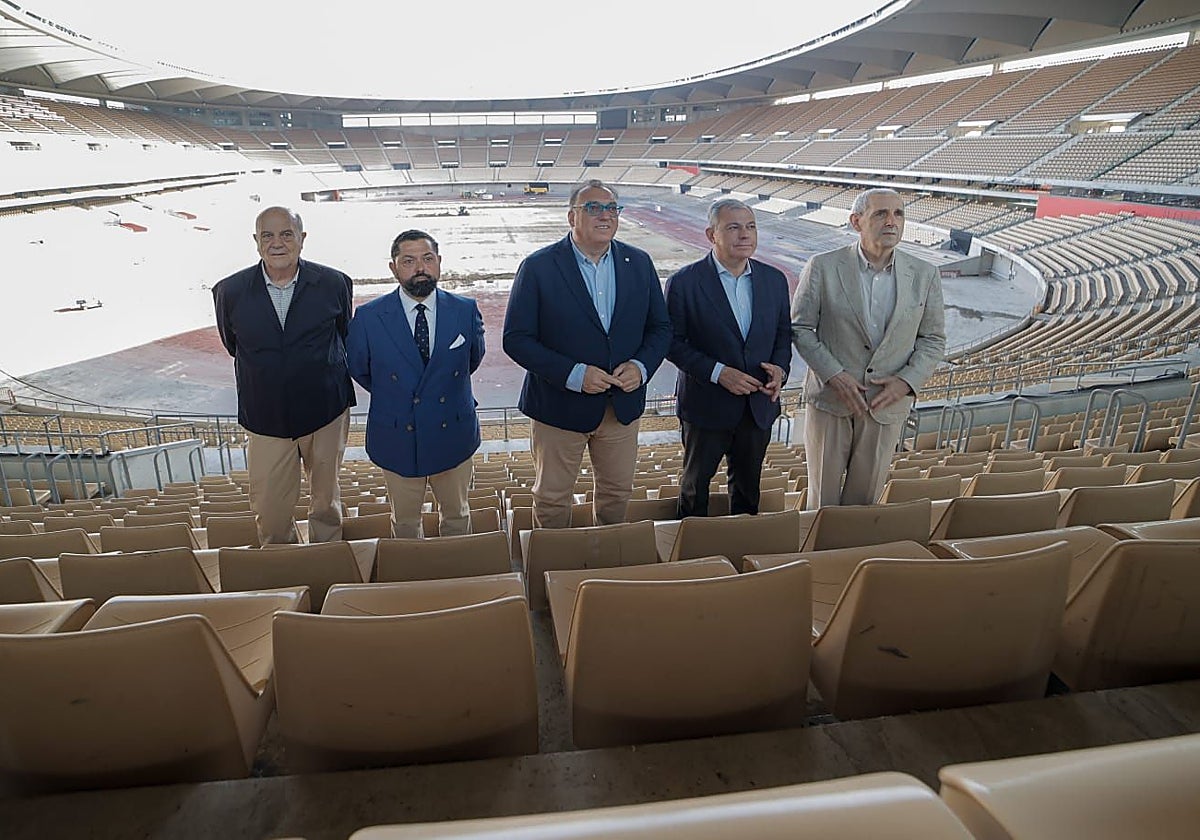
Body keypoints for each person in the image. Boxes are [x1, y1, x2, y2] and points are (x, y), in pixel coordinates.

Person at [503, 179, 671, 528]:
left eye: (612, 208)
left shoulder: (638, 263)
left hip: (621, 407)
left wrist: (641, 367)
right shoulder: (538, 267)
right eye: (593, 208)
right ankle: (550, 573)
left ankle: (605, 568)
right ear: (571, 217)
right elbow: (516, 339)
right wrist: (574, 374)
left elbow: (661, 328)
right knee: (551, 499)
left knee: (616, 495)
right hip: (558, 407)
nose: (605, 215)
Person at [791, 187, 945, 508]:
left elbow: (933, 340)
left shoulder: (924, 274)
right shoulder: (822, 267)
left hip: (885, 407)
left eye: (898, 214)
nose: (892, 221)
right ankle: (818, 558)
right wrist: (834, 374)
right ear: (856, 221)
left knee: (864, 503)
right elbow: (801, 328)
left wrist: (906, 382)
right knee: (823, 502)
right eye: (881, 213)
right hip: (831, 400)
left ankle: (850, 557)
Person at [213, 206, 355, 544]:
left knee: (326, 504)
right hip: (265, 417)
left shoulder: (334, 283)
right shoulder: (229, 292)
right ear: (256, 241)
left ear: (302, 239)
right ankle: (286, 570)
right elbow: (234, 346)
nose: (277, 243)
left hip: (326, 411)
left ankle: (328, 563)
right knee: (271, 512)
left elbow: (343, 336)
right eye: (268, 235)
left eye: (287, 234)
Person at [347, 230, 485, 538]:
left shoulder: (465, 310)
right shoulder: (369, 317)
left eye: (427, 259)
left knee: (458, 517)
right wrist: (402, 394)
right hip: (397, 436)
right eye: (408, 261)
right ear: (393, 268)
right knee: (406, 523)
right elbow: (360, 368)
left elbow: (470, 361)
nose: (420, 267)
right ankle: (415, 578)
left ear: (439, 263)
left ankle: (456, 581)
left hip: (454, 432)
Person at [665, 198, 791, 517]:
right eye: (733, 227)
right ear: (712, 235)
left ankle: (742, 552)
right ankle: (693, 560)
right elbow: (672, 343)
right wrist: (719, 372)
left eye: (750, 227)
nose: (744, 235)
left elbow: (781, 336)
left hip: (758, 405)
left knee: (748, 489)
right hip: (706, 406)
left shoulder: (774, 280)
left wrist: (781, 371)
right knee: (695, 488)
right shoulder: (684, 282)